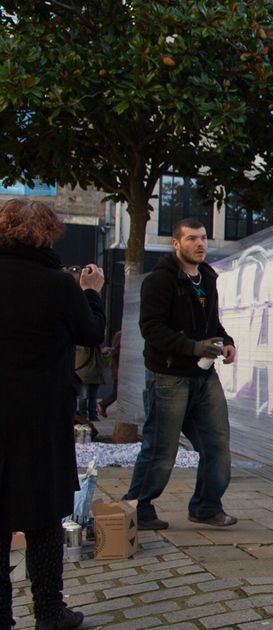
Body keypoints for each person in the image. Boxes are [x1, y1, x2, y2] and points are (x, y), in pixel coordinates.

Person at [0, 199, 104, 630]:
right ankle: (48, 612)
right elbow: (91, 333)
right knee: (42, 517)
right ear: (46, 232)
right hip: (40, 417)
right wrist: (92, 293)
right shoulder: (58, 284)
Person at [122, 217, 238, 530]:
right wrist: (193, 347)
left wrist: (225, 342)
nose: (200, 244)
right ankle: (136, 508)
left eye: (203, 238)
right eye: (191, 239)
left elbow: (211, 323)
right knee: (161, 447)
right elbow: (152, 329)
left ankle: (206, 507)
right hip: (169, 377)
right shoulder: (160, 280)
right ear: (176, 244)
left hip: (204, 376)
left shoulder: (208, 278)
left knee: (217, 445)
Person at [73, 342, 104, 431]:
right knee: (86, 396)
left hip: (92, 374)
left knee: (89, 396)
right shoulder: (83, 346)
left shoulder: (93, 347)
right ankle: (87, 416)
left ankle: (89, 415)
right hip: (87, 374)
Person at [97, 330, 123, 417]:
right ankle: (103, 404)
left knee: (117, 392)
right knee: (117, 392)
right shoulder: (120, 335)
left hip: (119, 368)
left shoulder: (120, 334)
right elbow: (115, 351)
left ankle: (103, 405)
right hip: (118, 368)